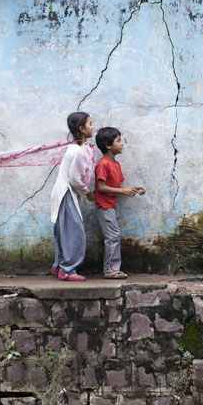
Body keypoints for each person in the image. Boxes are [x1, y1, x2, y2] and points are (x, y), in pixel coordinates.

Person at [93, 127, 146, 279]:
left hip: (111, 206)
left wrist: (134, 188)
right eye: (118, 141)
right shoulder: (103, 164)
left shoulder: (115, 164)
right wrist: (122, 192)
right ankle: (109, 270)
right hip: (104, 207)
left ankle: (113, 268)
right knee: (112, 236)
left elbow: (120, 185)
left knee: (114, 236)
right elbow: (101, 187)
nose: (122, 144)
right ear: (108, 146)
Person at [50, 112, 96, 281]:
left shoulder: (76, 148)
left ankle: (59, 266)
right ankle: (68, 270)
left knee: (64, 231)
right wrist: (88, 193)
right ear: (82, 129)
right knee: (74, 233)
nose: (93, 127)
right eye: (90, 124)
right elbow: (76, 179)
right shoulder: (77, 151)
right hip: (67, 193)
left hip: (63, 192)